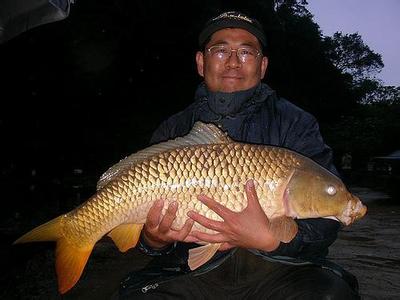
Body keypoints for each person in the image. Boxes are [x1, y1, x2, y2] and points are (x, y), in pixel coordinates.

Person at [116, 10, 360, 299]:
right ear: (200, 62)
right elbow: (146, 242)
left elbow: (324, 226)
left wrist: (272, 240)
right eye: (220, 50)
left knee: (330, 295)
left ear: (263, 65)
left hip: (280, 271)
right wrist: (154, 239)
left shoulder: (296, 124)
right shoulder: (174, 129)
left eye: (246, 52)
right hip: (189, 273)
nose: (233, 61)